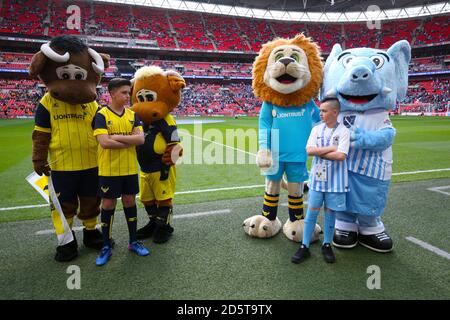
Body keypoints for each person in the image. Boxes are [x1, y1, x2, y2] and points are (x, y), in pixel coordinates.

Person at [93, 78, 148, 266]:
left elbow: (141, 140)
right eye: (124, 92)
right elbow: (104, 143)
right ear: (112, 93)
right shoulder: (101, 115)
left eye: (129, 92)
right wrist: (128, 139)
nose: (128, 96)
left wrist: (115, 136)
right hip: (109, 170)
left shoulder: (133, 115)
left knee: (130, 201)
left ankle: (133, 242)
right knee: (107, 205)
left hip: (130, 169)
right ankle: (106, 245)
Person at [292, 97, 350, 264]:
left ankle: (327, 244)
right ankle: (305, 246)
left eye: (324, 111)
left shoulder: (344, 131)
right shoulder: (316, 130)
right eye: (320, 110)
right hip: (317, 179)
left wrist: (320, 151)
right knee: (312, 212)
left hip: (336, 181)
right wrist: (331, 148)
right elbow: (309, 151)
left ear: (335, 112)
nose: (321, 113)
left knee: (330, 213)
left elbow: (341, 156)